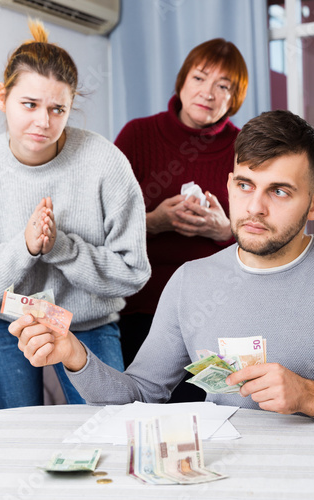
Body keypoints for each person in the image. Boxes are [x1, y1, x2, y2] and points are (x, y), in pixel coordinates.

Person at [9, 110, 314, 448]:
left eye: (279, 192)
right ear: (228, 184)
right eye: (245, 185)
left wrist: (311, 397)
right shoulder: (190, 282)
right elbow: (139, 394)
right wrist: (74, 355)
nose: (256, 208)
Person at [0, 20, 151, 410]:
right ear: (2, 97)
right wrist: (24, 246)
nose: (44, 121)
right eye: (30, 105)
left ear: (71, 107)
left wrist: (61, 247)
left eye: (58, 109)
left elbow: (133, 272)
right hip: (1, 323)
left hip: (85, 323)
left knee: (109, 427)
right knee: (19, 438)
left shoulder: (106, 164)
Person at [114, 38, 249, 386]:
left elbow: (269, 231)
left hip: (216, 310)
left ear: (234, 99)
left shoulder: (244, 148)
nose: (209, 93)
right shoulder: (137, 135)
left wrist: (226, 231)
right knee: (142, 409)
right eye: (199, 79)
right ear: (182, 81)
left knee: (214, 411)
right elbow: (99, 227)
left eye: (224, 86)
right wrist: (153, 223)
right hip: (140, 306)